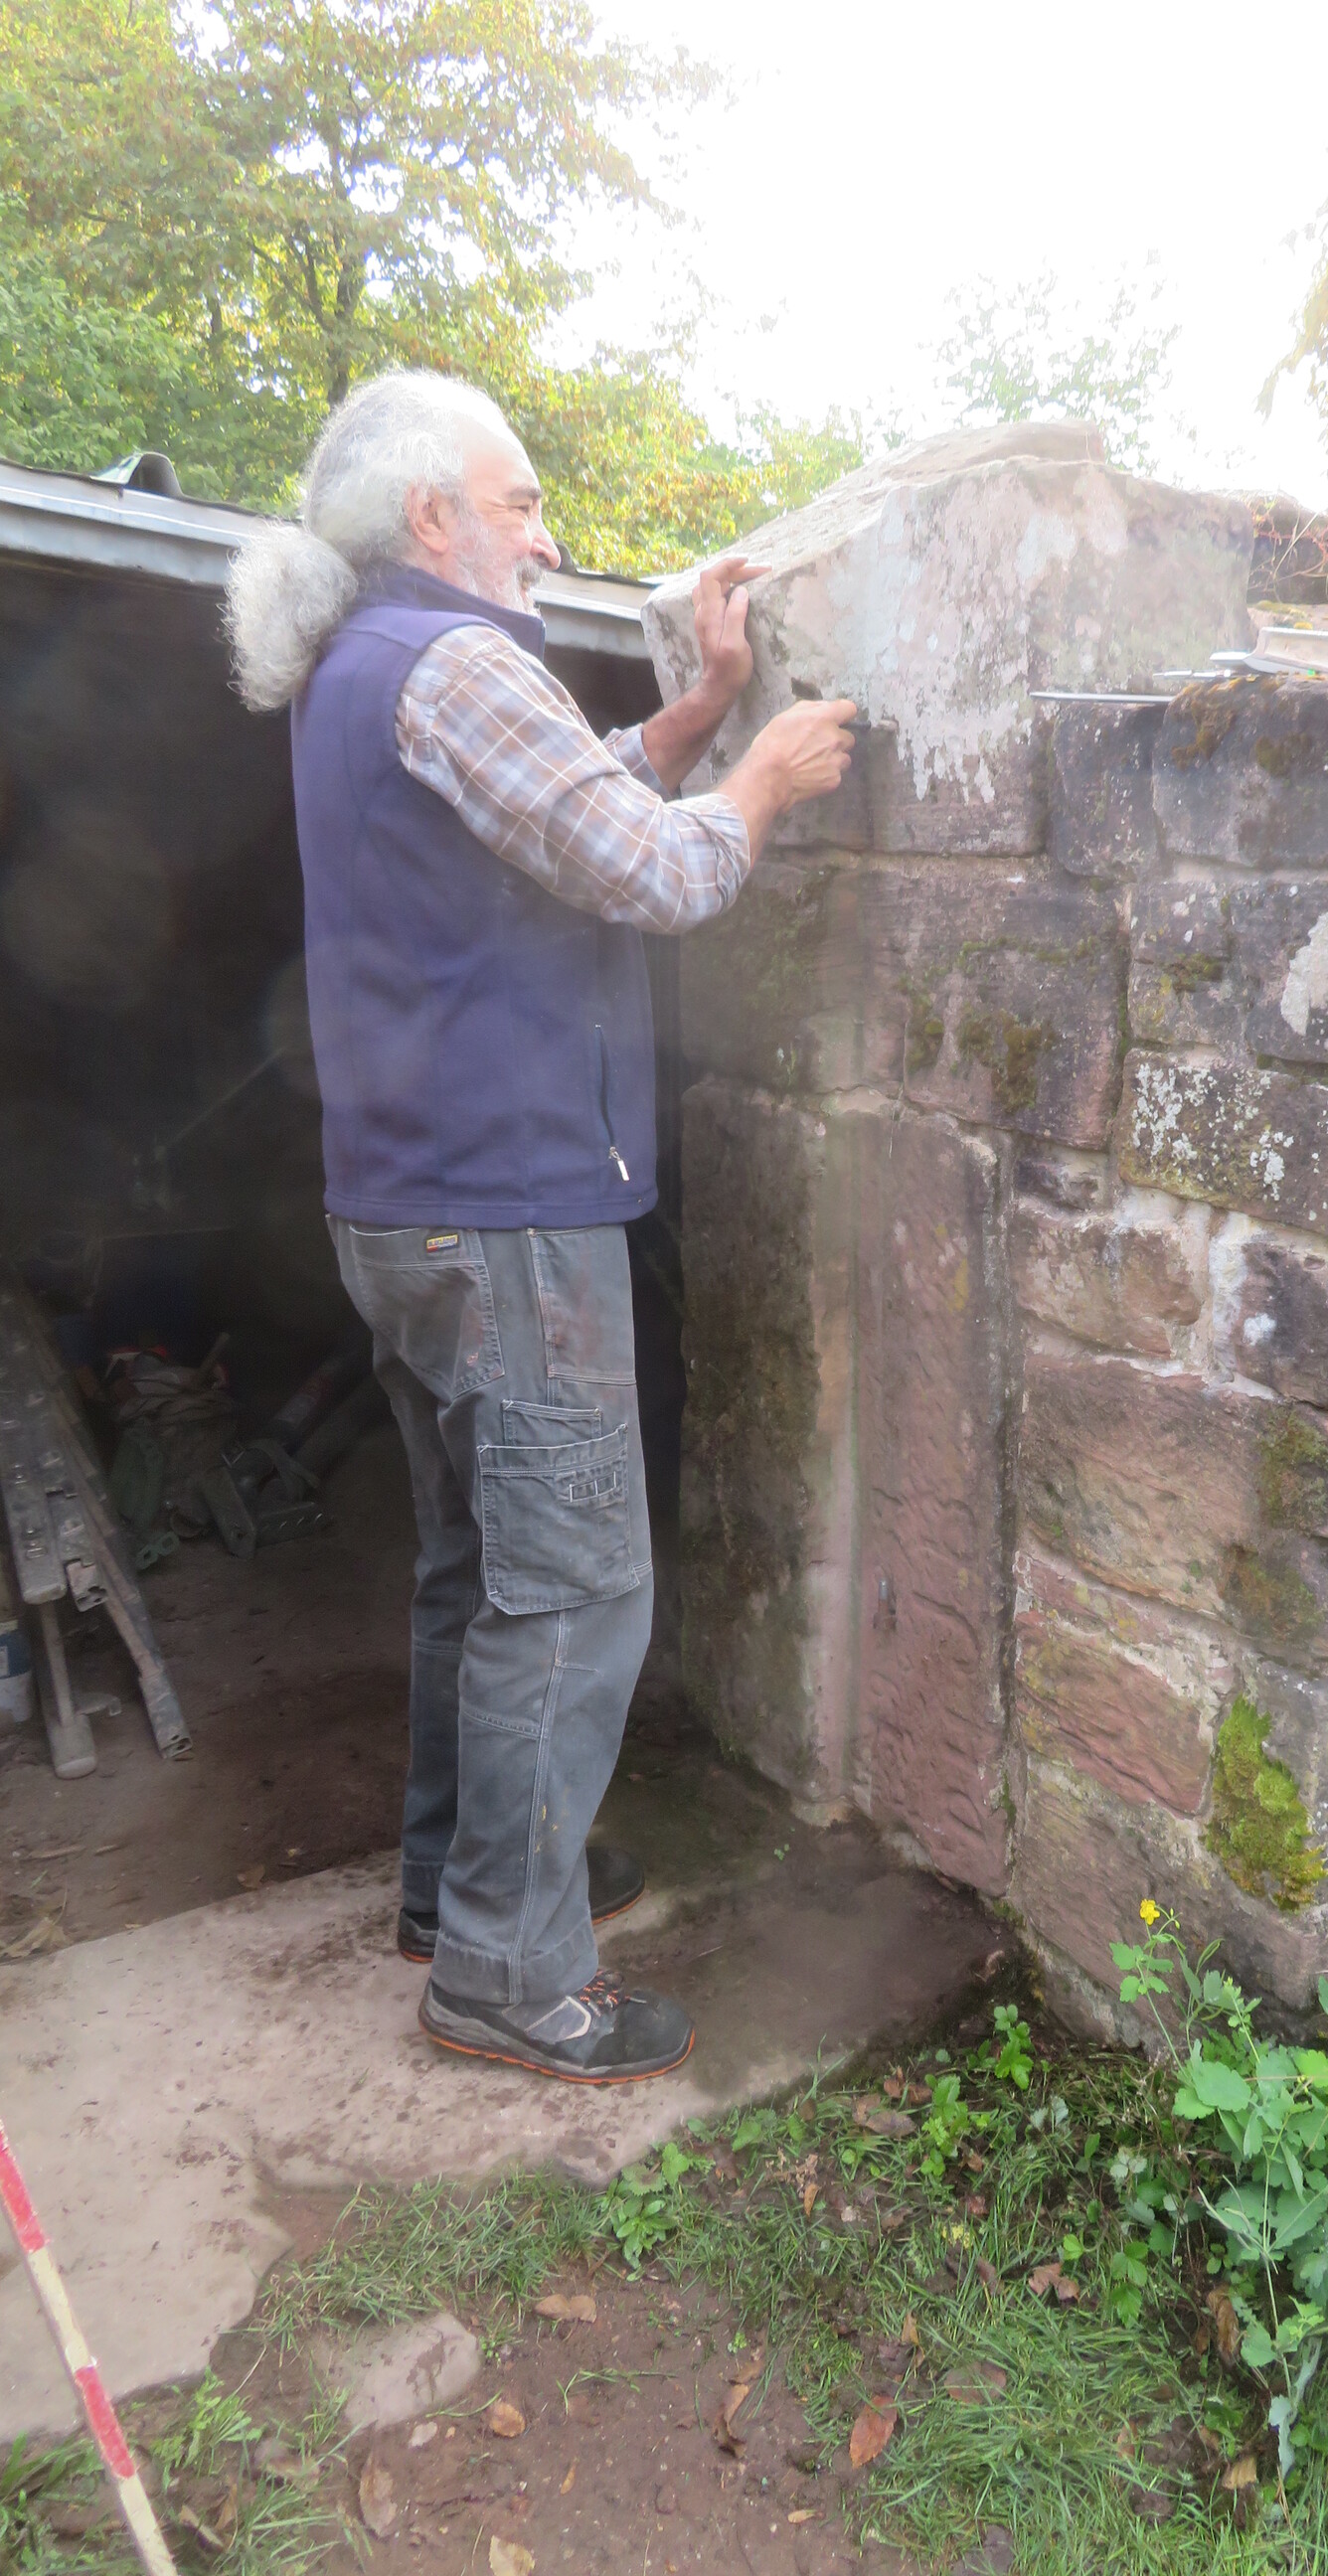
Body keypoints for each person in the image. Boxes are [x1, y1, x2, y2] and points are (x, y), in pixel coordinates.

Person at [225, 370, 853, 2082]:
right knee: (573, 1590)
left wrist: (701, 707)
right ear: (432, 517)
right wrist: (763, 780)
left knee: (479, 1574)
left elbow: (562, 812)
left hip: (407, 1211)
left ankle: (460, 1887)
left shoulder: (369, 664)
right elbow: (649, 871)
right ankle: (506, 1970)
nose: (546, 535)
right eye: (520, 502)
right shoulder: (454, 661)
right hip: (502, 1215)